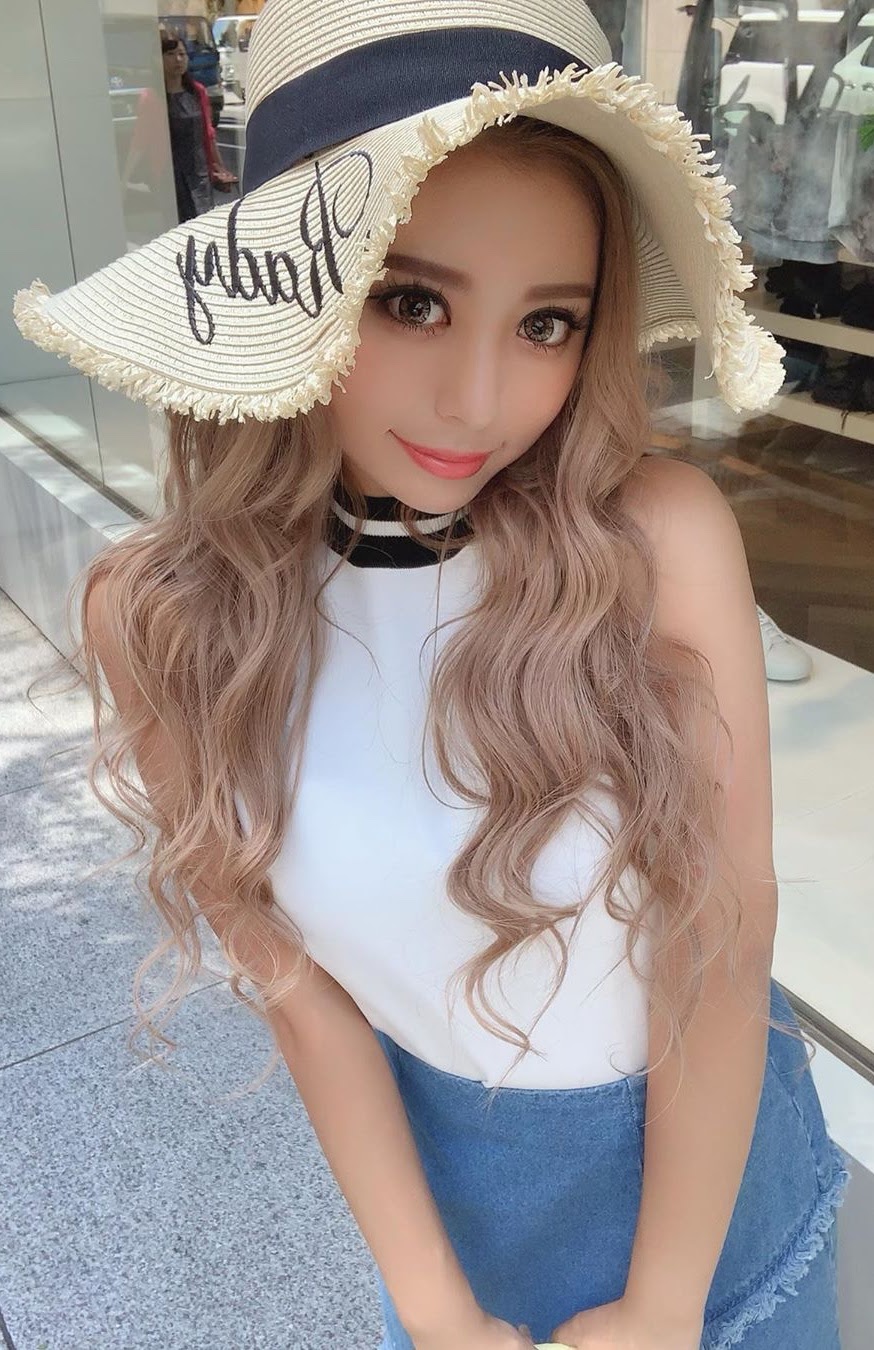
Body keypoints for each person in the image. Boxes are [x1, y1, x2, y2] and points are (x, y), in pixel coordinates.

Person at [12, 2, 851, 1347]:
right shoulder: (163, 616)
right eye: (411, 301)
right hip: (448, 1224)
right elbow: (300, 993)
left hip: (712, 1212)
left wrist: (663, 1306)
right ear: (288, 292)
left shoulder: (652, 542)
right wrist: (437, 1309)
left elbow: (721, 933)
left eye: (546, 323)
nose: (476, 398)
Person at [123, 29, 237, 224]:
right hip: (170, 177)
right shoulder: (152, 97)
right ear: (157, 59)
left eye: (182, 54)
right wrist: (124, 180)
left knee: (204, 224)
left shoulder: (197, 92)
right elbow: (140, 140)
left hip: (200, 173)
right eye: (170, 54)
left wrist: (220, 167)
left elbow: (208, 134)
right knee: (180, 227)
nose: (178, 59)